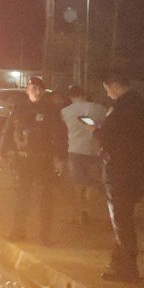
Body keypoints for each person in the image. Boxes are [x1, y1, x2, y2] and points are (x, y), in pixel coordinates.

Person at [94, 71, 144, 282]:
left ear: (114, 85)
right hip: (136, 170)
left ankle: (128, 270)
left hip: (119, 172)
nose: (108, 94)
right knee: (125, 218)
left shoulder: (121, 108)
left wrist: (95, 131)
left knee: (122, 221)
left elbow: (107, 134)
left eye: (107, 89)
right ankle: (119, 264)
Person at [0, 76, 68, 244]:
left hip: (44, 160)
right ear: (27, 90)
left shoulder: (50, 109)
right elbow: (8, 130)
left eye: (38, 89)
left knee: (46, 199)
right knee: (22, 198)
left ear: (43, 91)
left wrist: (60, 158)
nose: (35, 92)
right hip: (23, 160)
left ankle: (45, 236)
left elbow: (60, 135)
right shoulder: (19, 107)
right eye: (32, 88)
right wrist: (2, 153)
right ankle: (18, 232)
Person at [61, 85, 107, 226]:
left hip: (74, 151)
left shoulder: (65, 111)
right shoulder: (100, 109)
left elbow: (61, 133)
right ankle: (87, 210)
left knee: (77, 184)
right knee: (91, 183)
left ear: (70, 96)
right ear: (85, 95)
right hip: (94, 150)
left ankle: (79, 213)